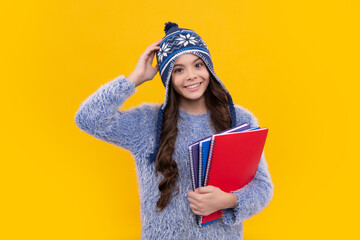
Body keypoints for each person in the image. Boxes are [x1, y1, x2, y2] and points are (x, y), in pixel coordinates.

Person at [75, 22, 274, 239]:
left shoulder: (239, 120)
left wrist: (228, 201)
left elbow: (262, 188)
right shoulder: (147, 123)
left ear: (209, 67)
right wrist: (136, 77)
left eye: (198, 65)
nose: (191, 75)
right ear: (168, 77)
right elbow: (88, 118)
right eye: (179, 69)